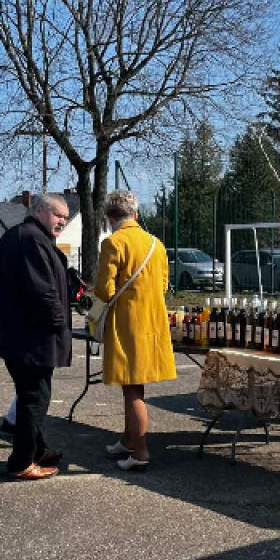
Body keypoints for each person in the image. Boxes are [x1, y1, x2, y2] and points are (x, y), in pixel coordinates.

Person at [0, 193, 72, 480]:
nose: (62, 222)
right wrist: (58, 324)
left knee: (32, 394)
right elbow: (41, 290)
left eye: (65, 218)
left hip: (21, 334)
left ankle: (37, 450)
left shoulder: (27, 236)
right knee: (35, 398)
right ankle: (22, 462)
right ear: (39, 211)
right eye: (58, 215)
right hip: (30, 336)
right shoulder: (30, 238)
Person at [95, 190, 176, 471]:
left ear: (110, 217)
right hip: (153, 322)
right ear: (136, 215)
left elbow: (104, 290)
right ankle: (127, 440)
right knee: (133, 385)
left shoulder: (113, 242)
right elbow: (163, 285)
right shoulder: (156, 243)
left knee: (131, 389)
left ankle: (140, 453)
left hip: (127, 323)